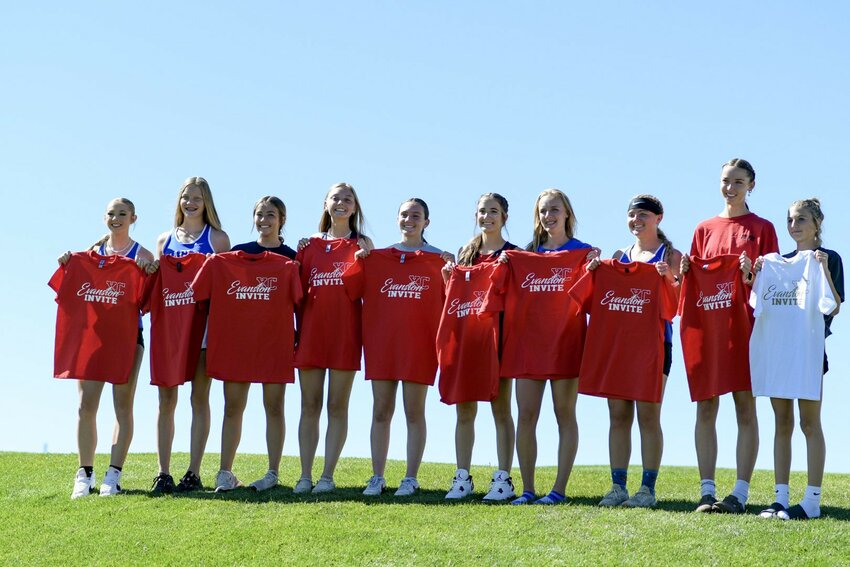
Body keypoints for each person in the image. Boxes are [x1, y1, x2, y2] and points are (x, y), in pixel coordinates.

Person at [681, 158, 779, 513]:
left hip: (746, 328)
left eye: (738, 181)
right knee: (705, 405)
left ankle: (739, 492)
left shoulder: (763, 228)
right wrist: (685, 272)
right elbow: (690, 283)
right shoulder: (703, 228)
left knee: (744, 405)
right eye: (725, 180)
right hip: (709, 329)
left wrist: (751, 274)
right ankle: (707, 490)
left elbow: (772, 282)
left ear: (752, 185)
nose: (730, 187)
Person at [500, 189, 597, 505]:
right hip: (528, 345)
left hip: (567, 343)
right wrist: (505, 262)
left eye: (555, 209)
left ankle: (558, 490)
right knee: (526, 415)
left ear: (567, 213)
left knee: (564, 414)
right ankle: (527, 490)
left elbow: (595, 300)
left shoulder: (583, 253)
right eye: (543, 211)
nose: (549, 215)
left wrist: (596, 266)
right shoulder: (525, 255)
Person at [54, 198, 155, 498]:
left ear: (133, 218)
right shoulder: (90, 254)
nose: (116, 218)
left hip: (127, 338)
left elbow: (149, 301)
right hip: (93, 339)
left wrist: (148, 272)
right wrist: (66, 264)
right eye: (111, 213)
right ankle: (84, 474)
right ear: (104, 218)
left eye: (122, 214)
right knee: (86, 405)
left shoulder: (143, 254)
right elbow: (66, 288)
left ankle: (114, 474)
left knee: (123, 406)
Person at [352, 198, 453, 496]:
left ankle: (411, 477)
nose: (409, 219)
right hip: (382, 342)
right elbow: (351, 289)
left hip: (419, 344)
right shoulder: (376, 258)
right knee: (381, 410)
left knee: (414, 411)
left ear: (426, 222)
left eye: (416, 215)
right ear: (396, 219)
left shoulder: (439, 260)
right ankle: (377, 476)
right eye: (404, 214)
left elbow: (453, 300)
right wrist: (360, 258)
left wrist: (450, 269)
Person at [752, 198, 843, 520]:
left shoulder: (828, 258)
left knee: (809, 422)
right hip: (778, 352)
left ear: (817, 223)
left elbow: (833, 306)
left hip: (808, 354)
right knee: (782, 423)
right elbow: (756, 304)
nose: (794, 226)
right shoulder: (775, 262)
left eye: (801, 219)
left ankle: (812, 500)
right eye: (790, 220)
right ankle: (780, 498)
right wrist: (754, 274)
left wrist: (821, 268)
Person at [590, 195, 682, 508]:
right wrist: (593, 270)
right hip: (619, 345)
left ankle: (647, 489)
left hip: (655, 344)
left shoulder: (671, 254)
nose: (636, 221)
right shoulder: (619, 255)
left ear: (659, 218)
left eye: (643, 215)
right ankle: (618, 487)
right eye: (632, 215)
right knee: (617, 415)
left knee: (648, 414)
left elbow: (678, 304)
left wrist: (668, 278)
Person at [211, 196, 298, 492]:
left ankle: (273, 472)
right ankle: (225, 472)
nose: (264, 220)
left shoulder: (291, 258)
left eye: (270, 215)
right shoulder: (235, 255)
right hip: (238, 343)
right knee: (232, 407)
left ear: (281, 220)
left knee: (274, 407)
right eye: (259, 215)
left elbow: (301, 302)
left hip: (275, 342)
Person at [293, 182, 373, 494]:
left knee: (337, 406)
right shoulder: (308, 245)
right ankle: (304, 476)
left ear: (355, 207)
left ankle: (327, 476)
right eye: (336, 198)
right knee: (309, 405)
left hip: (346, 335)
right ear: (326, 203)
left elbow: (369, 291)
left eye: (347, 199)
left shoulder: (362, 244)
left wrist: (368, 259)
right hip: (312, 334)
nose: (341, 203)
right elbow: (296, 295)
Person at [439, 193, 518, 501]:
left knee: (501, 409)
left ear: (505, 217)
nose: (487, 216)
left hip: (498, 340)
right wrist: (449, 277)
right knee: (465, 410)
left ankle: (503, 478)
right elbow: (457, 294)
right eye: (483, 211)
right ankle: (462, 477)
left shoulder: (513, 254)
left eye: (494, 211)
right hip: (467, 338)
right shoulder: (465, 253)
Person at [153, 177, 230, 493]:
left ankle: (193, 473)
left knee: (200, 398)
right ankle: (163, 473)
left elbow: (226, 286)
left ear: (207, 201)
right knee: (166, 401)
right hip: (171, 330)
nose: (191, 202)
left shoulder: (218, 239)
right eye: (186, 196)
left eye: (197, 197)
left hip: (204, 329)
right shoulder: (164, 240)